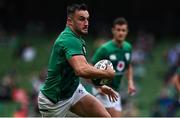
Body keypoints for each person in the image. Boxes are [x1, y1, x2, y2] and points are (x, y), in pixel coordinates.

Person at [38, 3, 118, 117]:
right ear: (70, 21)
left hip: (73, 91)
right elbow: (81, 70)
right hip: (54, 101)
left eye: (87, 19)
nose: (86, 23)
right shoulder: (69, 40)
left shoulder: (77, 39)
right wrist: (107, 73)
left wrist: (99, 85)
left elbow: (84, 68)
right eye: (81, 19)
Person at [92, 17, 136, 117]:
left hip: (115, 91)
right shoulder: (104, 49)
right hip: (103, 91)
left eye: (123, 30)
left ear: (127, 32)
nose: (121, 33)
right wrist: (99, 87)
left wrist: (130, 82)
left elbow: (128, 65)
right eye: (118, 30)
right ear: (113, 31)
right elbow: (90, 67)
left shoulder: (128, 47)